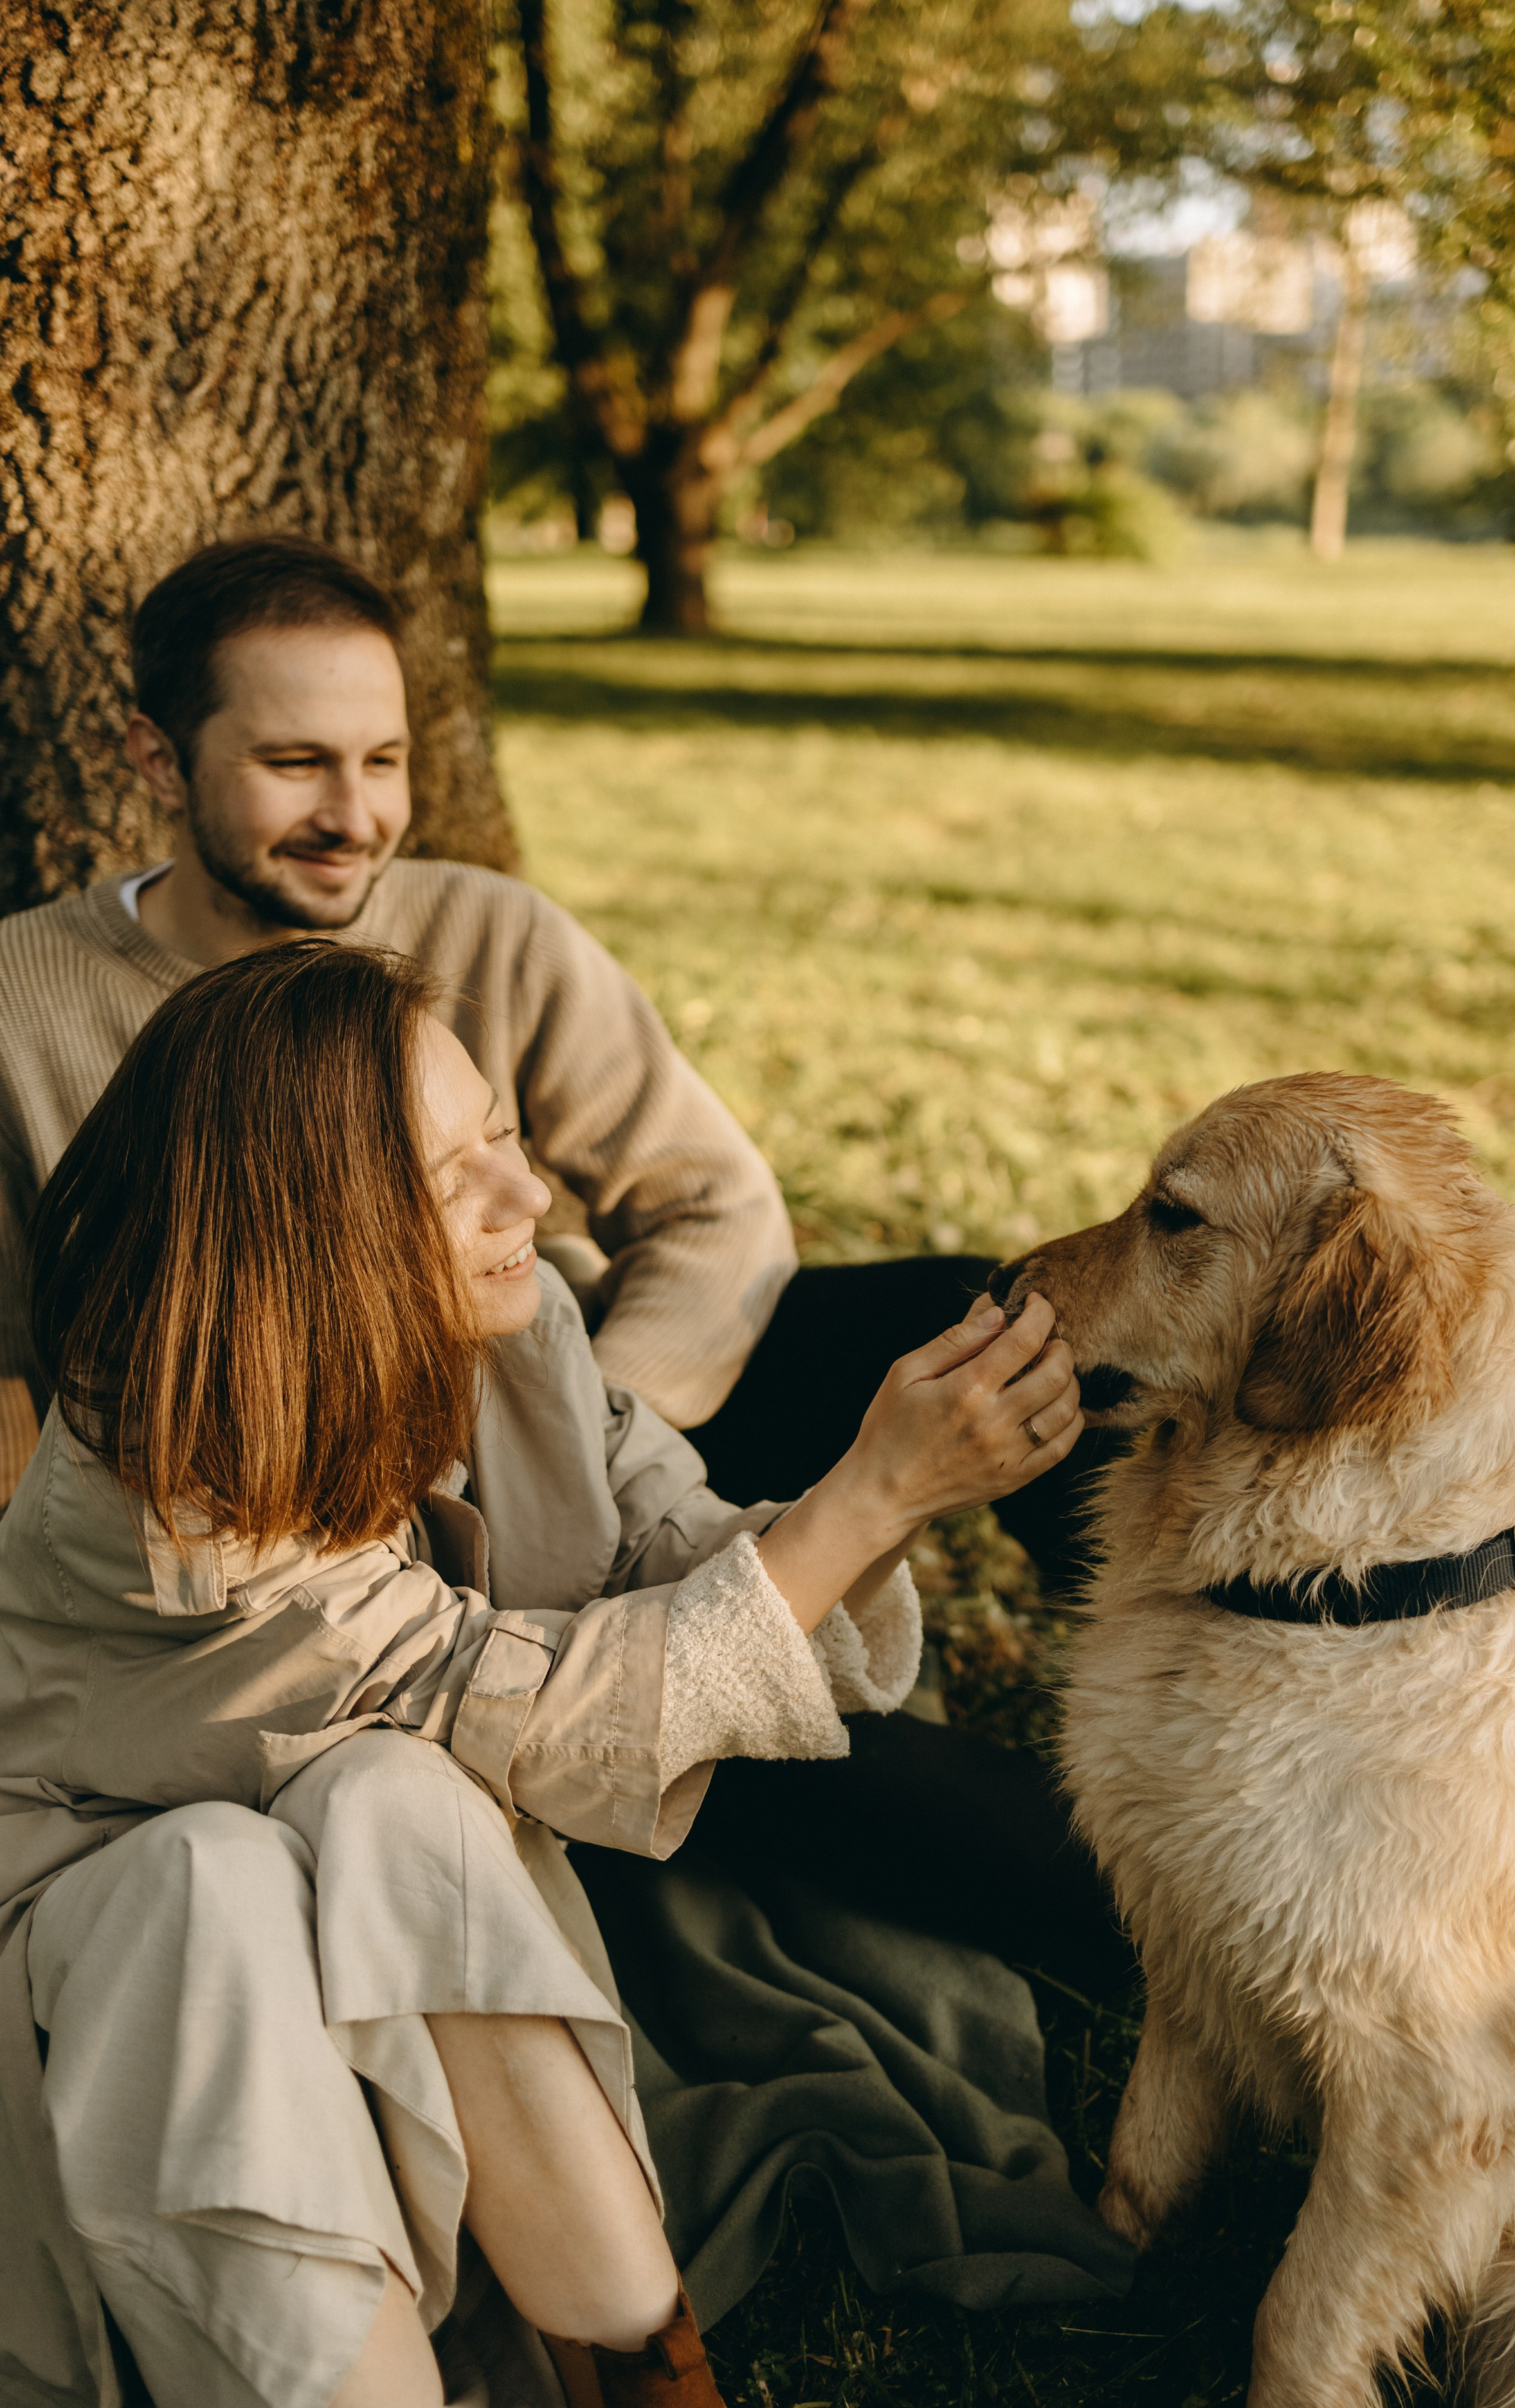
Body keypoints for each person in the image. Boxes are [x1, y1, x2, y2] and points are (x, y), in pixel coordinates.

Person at [0, 941, 1083, 2408]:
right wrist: (869, 1502)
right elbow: (550, 1726)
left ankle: (648, 2375)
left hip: (352, 1891)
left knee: (396, 1795)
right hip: (107, 1953)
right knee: (212, 1880)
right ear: (324, 1240)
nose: (530, 1202)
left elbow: (675, 1544)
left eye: (501, 1136)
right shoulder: (168, 1490)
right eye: (455, 1182)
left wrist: (885, 1483)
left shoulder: (513, 1333)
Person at [0, 534, 1113, 1593]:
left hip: (591, 1432)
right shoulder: (21, 996)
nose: (355, 814)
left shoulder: (492, 932)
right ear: (158, 758)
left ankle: (1177, 1697)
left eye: (382, 761)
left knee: (972, 1322)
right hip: (292, 1542)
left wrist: (579, 1439)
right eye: (295, 764)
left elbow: (715, 1205)